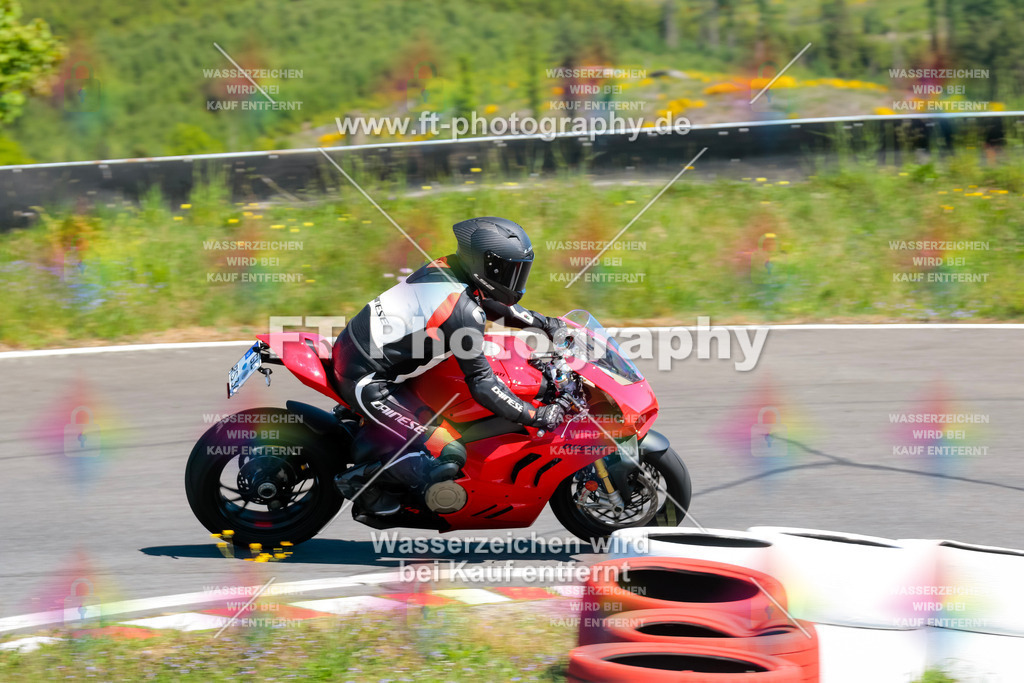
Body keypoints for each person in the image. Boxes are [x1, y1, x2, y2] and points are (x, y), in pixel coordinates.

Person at [331, 216, 567, 516]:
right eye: (509, 271)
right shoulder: (463, 311)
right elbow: (483, 385)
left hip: (358, 351)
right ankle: (366, 485)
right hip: (367, 381)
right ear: (486, 265)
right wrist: (534, 415)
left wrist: (544, 324)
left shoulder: (448, 268)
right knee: (449, 452)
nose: (515, 280)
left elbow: (490, 302)